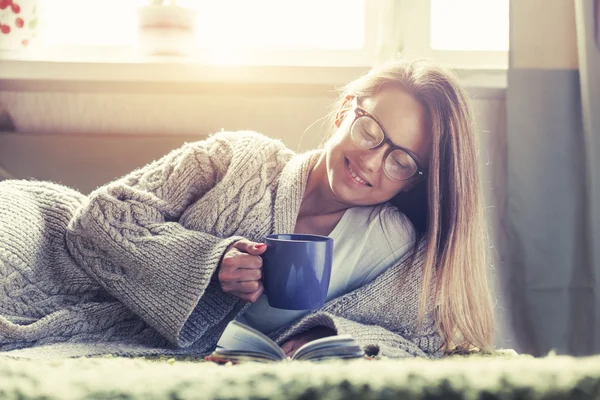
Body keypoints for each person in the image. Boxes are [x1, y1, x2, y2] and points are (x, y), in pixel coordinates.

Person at [0, 56, 494, 358]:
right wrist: (209, 264)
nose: (370, 161)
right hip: (51, 245)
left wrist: (323, 338)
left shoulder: (392, 249)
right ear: (346, 110)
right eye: (370, 131)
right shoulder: (236, 156)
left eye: (401, 160)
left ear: (415, 181)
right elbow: (102, 217)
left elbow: (422, 342)